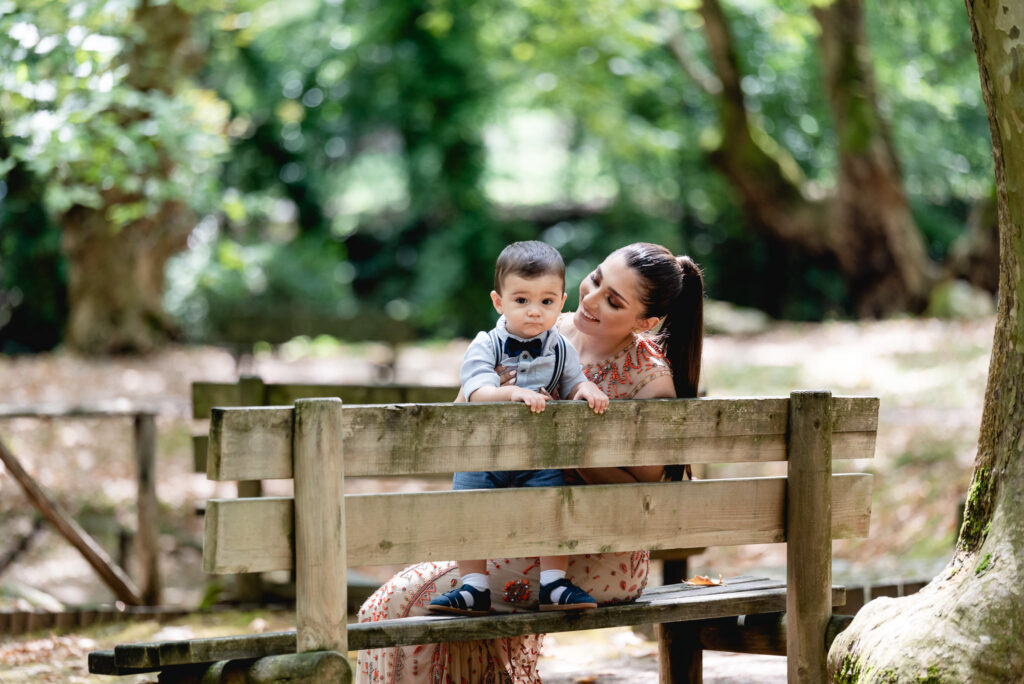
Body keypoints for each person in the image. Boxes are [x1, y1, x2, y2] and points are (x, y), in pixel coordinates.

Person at [357, 242, 705, 684]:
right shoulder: (542, 326)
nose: (591, 299)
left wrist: (566, 443)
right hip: (511, 523)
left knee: (401, 606)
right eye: (596, 279)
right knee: (407, 606)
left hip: (589, 555)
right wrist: (487, 396)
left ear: (646, 322)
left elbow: (645, 495)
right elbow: (466, 406)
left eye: (614, 300)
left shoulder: (650, 379)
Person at [428, 241, 610, 618]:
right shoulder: (486, 344)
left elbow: (574, 381)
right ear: (499, 302)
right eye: (522, 300)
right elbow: (476, 390)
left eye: (546, 302)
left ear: (561, 302)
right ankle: (473, 586)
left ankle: (554, 582)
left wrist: (585, 388)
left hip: (537, 456)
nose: (534, 311)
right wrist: (509, 392)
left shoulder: (562, 349)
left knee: (552, 507)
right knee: (467, 510)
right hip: (484, 456)